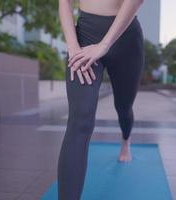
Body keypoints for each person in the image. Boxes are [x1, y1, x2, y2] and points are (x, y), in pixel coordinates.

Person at [57, 0, 145, 199]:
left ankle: (125, 140)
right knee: (80, 119)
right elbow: (64, 2)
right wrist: (73, 48)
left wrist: (104, 44)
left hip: (125, 37)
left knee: (123, 107)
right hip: (85, 36)